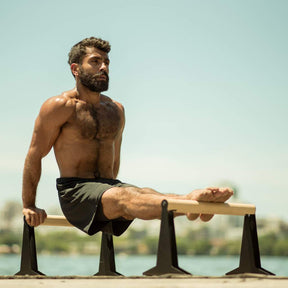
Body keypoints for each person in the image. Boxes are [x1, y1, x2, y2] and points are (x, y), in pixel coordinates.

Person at [22, 37, 233, 236]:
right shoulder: (60, 106)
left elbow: (114, 161)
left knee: (142, 192)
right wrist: (29, 204)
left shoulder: (116, 110)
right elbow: (35, 154)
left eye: (106, 62)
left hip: (110, 188)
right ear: (75, 69)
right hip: (76, 193)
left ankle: (192, 202)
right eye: (95, 61)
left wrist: (114, 195)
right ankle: (190, 202)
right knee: (126, 196)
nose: (103, 67)